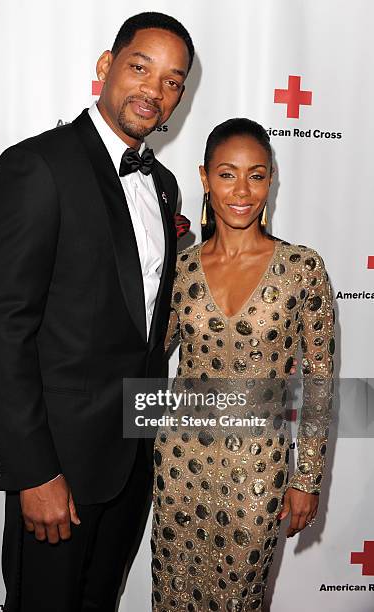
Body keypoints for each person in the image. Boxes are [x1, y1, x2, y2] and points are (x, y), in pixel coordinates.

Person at [0, 12, 194, 612]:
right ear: (106, 66)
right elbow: (4, 328)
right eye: (140, 67)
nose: (154, 90)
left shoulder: (166, 184)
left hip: (131, 462)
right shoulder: (38, 167)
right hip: (58, 472)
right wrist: (32, 472)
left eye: (173, 80)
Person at [151, 118, 334, 611]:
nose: (242, 190)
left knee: (239, 600)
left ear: (270, 180)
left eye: (256, 175)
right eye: (227, 174)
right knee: (170, 596)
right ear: (204, 178)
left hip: (258, 471)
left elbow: (319, 382)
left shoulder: (302, 268)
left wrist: (306, 478)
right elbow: (146, 352)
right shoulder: (181, 268)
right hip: (178, 471)